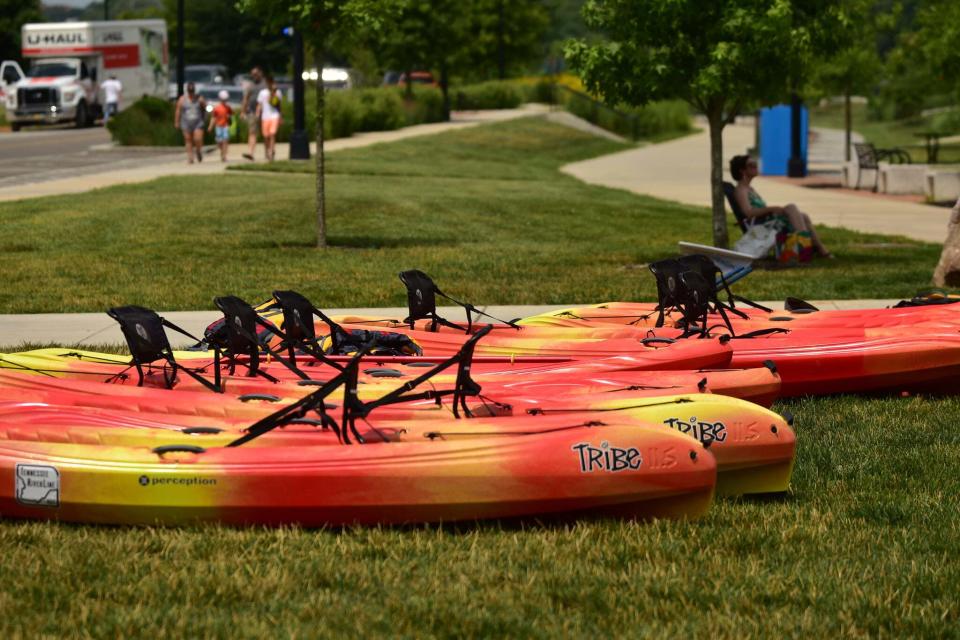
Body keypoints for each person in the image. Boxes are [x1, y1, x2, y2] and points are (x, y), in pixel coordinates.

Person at [729, 154, 833, 259]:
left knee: (803, 215)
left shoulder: (749, 188)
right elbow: (749, 213)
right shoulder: (741, 190)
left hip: (767, 222)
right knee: (791, 208)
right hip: (762, 226)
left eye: (756, 163)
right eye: (751, 165)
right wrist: (772, 209)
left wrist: (773, 210)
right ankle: (807, 249)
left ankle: (817, 249)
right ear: (742, 170)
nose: (756, 166)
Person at [174, 82, 206, 164]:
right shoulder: (182, 99)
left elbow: (205, 109)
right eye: (190, 91)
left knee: (197, 139)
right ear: (187, 91)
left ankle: (198, 151)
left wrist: (204, 117)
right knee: (188, 140)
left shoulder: (199, 99)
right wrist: (176, 122)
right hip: (186, 122)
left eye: (192, 91)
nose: (191, 93)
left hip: (198, 122)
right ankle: (190, 157)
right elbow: (178, 110)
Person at [256, 75, 282, 162]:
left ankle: (272, 151)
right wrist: (258, 113)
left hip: (274, 115)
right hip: (265, 116)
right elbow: (259, 105)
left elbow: (277, 104)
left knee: (272, 134)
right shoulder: (262, 93)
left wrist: (281, 116)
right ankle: (267, 150)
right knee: (266, 136)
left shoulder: (277, 92)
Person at [240, 66, 264, 160]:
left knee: (266, 134)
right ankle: (251, 153)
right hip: (253, 113)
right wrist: (242, 111)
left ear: (260, 73)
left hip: (266, 113)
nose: (254, 76)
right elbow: (245, 99)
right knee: (252, 132)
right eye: (252, 74)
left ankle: (268, 153)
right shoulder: (251, 85)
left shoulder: (265, 84)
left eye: (256, 74)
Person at [208, 89, 233, 162]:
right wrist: (210, 126)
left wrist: (229, 120)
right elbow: (213, 117)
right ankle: (222, 151)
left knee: (225, 140)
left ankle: (224, 156)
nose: (225, 101)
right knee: (219, 141)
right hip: (218, 126)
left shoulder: (228, 108)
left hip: (225, 126)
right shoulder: (217, 108)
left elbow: (231, 116)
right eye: (223, 99)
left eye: (226, 99)